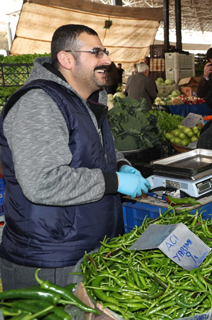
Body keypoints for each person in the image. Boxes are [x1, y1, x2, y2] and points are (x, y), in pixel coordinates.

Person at [0, 24, 150, 290]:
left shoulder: (89, 101)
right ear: (66, 59)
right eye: (96, 52)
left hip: (88, 250)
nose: (107, 60)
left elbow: (95, 153)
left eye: (105, 51)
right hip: (50, 263)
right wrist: (113, 182)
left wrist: (123, 166)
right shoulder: (38, 104)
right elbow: (43, 182)